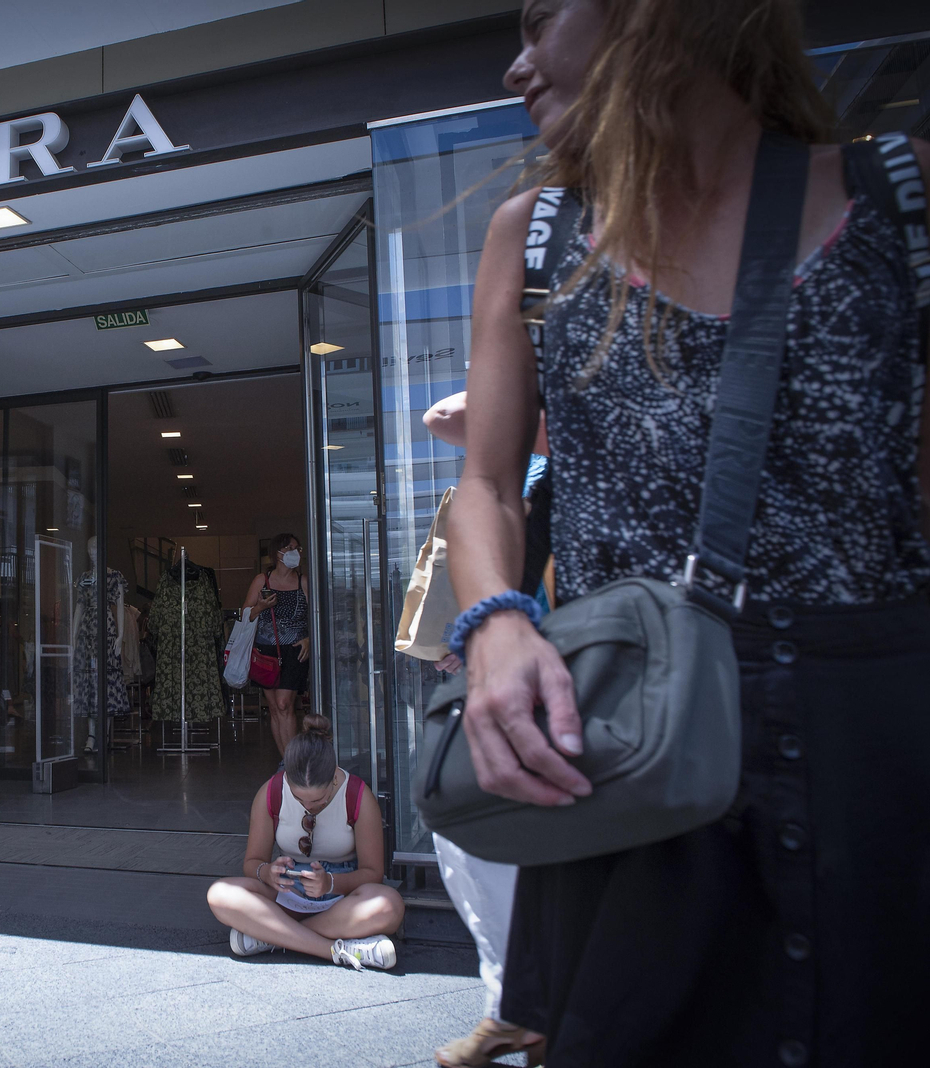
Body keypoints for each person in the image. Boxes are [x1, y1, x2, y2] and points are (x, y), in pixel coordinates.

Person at [450, 0, 930, 1064]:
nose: (515, 67)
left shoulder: (897, 192)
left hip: (877, 762)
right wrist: (495, 624)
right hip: (639, 756)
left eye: (540, 18)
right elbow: (484, 484)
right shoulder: (535, 234)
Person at [420, 392, 548, 1067]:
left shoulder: (564, 469)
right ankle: (512, 1005)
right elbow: (441, 417)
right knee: (464, 836)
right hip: (498, 663)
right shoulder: (512, 472)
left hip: (561, 662)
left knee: (517, 841)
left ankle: (529, 1008)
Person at [206, 714, 404, 970]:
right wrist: (267, 873)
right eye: (300, 800)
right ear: (287, 777)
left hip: (341, 899)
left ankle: (272, 936)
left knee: (389, 905)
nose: (309, 807)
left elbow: (373, 873)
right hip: (289, 892)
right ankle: (335, 950)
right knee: (220, 894)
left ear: (334, 777)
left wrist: (330, 883)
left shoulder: (357, 795)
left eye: (318, 800)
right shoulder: (271, 792)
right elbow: (252, 863)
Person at [241, 532, 310, 756]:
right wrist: (260, 607)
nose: (296, 553)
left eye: (298, 549)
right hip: (266, 651)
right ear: (278, 553)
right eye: (291, 548)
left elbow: (316, 616)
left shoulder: (303, 582)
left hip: (295, 650)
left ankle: (294, 760)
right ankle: (286, 761)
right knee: (274, 708)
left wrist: (310, 639)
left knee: (284, 704)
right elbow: (246, 613)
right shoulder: (263, 580)